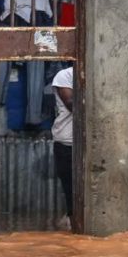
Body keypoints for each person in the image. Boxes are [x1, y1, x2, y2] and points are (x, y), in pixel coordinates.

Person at [51, 66, 74, 231]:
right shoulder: (64, 75)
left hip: (89, 139)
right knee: (70, 188)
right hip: (66, 141)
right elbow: (72, 104)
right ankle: (72, 222)